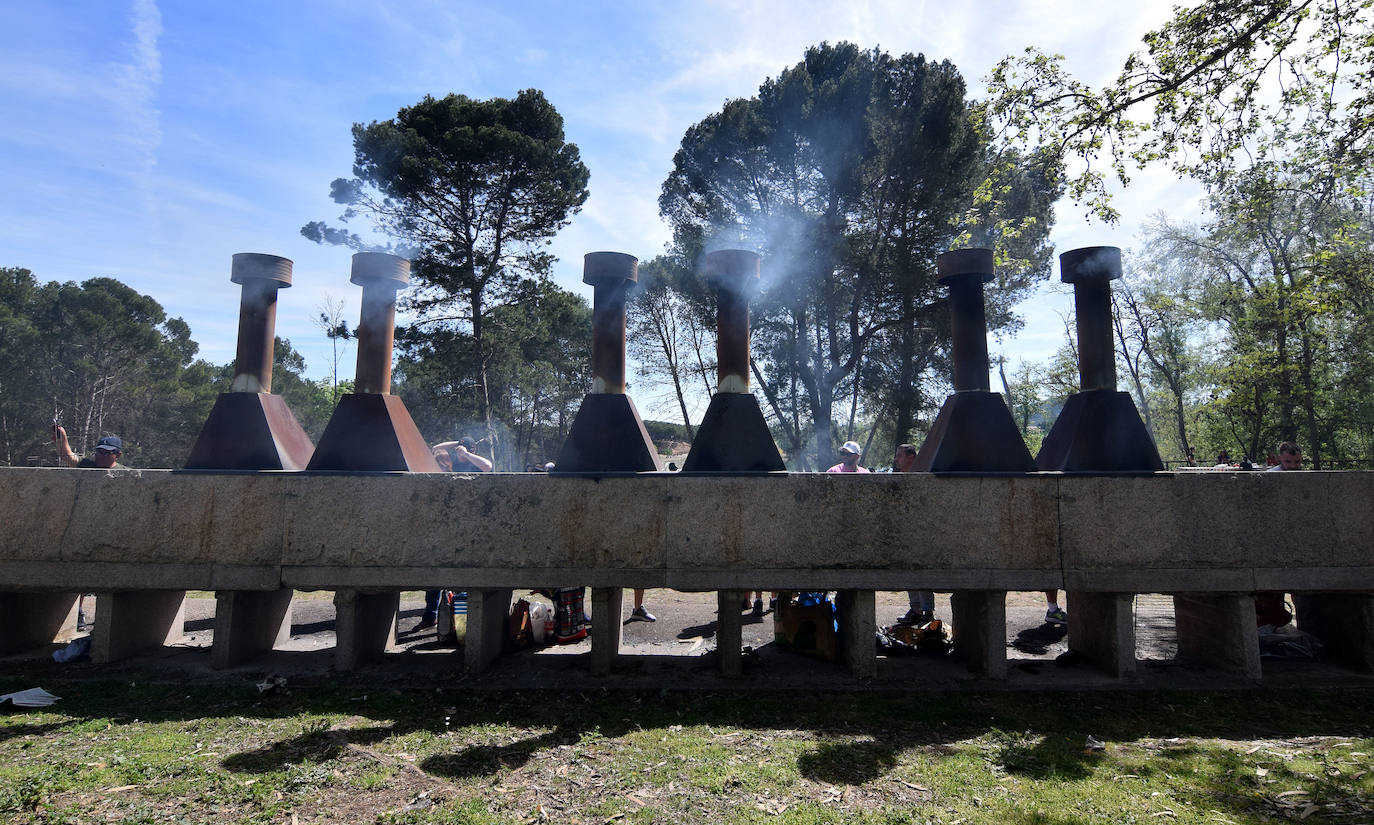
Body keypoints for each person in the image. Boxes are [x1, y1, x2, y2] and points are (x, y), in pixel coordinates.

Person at [414, 437, 491, 632]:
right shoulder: (452, 462)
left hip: (469, 524)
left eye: (464, 448)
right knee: (435, 570)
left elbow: (488, 467)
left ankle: (463, 617)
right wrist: (457, 443)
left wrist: (467, 454)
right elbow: (435, 447)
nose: (459, 452)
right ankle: (431, 614)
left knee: (465, 574)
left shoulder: (474, 462)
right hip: (446, 522)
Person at [1257, 441, 1303, 626]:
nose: (1293, 466)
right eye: (1288, 462)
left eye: (1297, 462)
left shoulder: (1305, 477)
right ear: (1279, 460)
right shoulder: (1270, 478)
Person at [893, 443, 937, 626]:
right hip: (906, 533)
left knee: (921, 572)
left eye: (900, 456)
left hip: (922, 533)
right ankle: (916, 609)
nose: (896, 460)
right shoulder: (899, 478)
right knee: (908, 573)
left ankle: (927, 611)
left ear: (911, 457)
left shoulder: (922, 476)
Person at [54, 426, 125, 469]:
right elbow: (67, 456)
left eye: (106, 452)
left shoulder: (125, 473)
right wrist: (62, 437)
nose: (100, 456)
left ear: (118, 455)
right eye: (99, 451)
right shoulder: (87, 465)